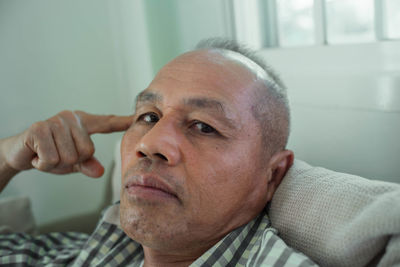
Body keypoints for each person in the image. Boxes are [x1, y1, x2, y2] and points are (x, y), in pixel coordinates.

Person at [0, 38, 317, 266]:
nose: (148, 143)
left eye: (204, 126)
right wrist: (5, 158)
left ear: (272, 175)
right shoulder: (99, 249)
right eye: (148, 116)